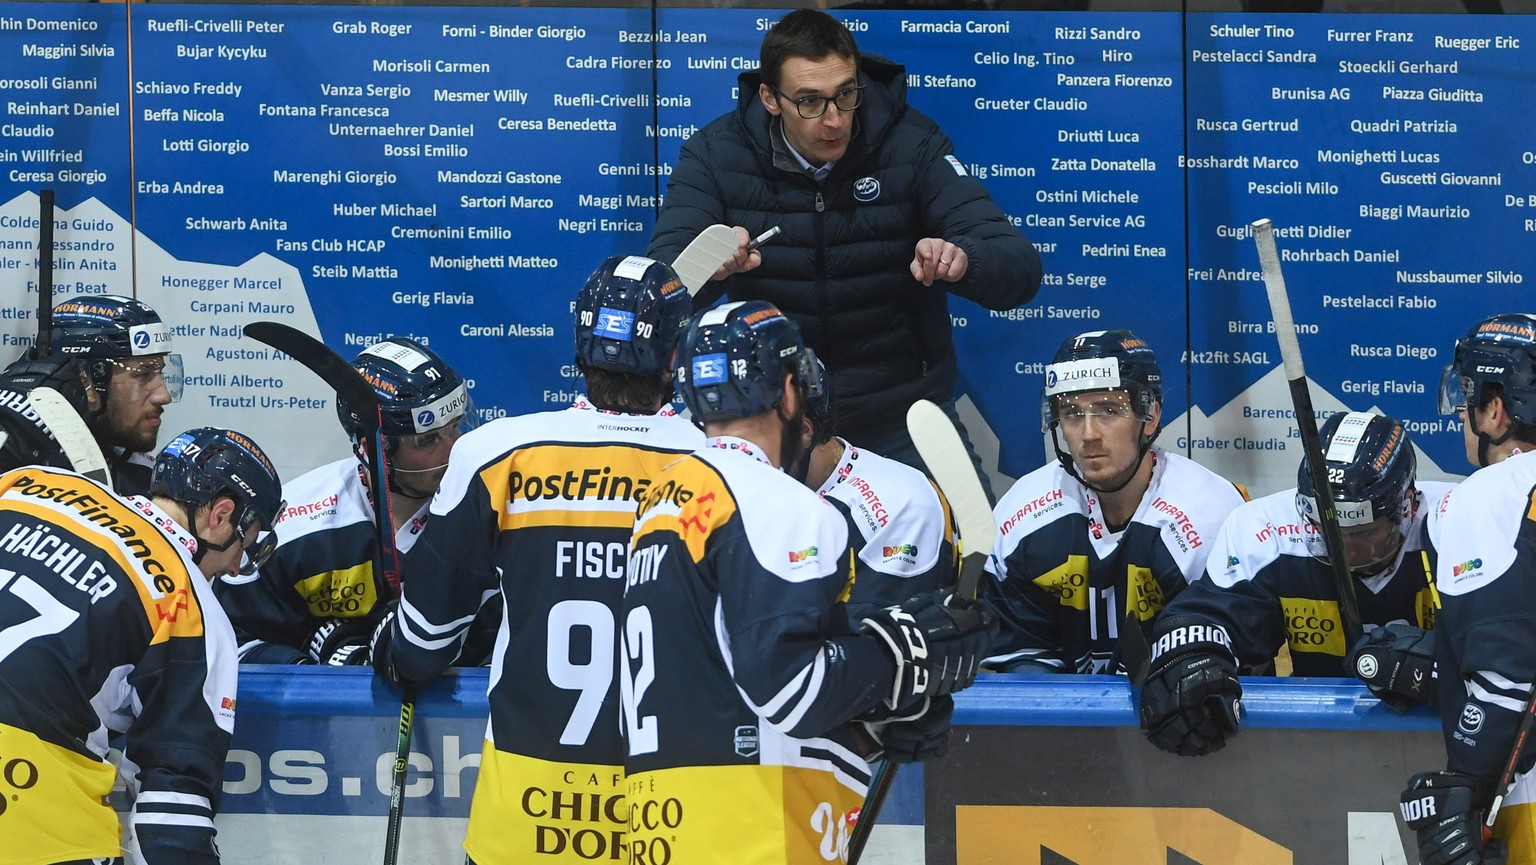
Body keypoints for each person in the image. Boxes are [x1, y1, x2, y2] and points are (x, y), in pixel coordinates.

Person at [621, 299, 995, 862]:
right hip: (756, 827)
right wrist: (902, 657)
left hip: (658, 823)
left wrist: (881, 664)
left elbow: (729, 656)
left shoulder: (661, 497)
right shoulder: (785, 504)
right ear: (792, 393)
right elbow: (791, 692)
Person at [370, 256, 703, 864]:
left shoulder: (497, 453)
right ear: (676, 356)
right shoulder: (725, 465)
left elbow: (420, 649)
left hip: (526, 827)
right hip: (671, 824)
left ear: (580, 345)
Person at [647, 8, 1041, 486]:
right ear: (771, 98)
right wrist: (711, 267)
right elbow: (661, 293)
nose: (834, 120)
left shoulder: (912, 143)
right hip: (768, 415)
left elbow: (1019, 268)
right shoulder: (715, 155)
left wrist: (964, 261)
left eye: (847, 95)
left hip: (903, 411)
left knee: (969, 551)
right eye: (810, 102)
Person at [0, 426, 282, 865]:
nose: (232, 568)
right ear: (222, 514)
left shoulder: (30, 484)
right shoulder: (190, 604)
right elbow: (171, 827)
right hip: (29, 810)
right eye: (245, 546)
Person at [1138, 411, 1453, 757]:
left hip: (1443, 738)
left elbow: (1509, 645)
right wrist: (1192, 653)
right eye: (1323, 528)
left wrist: (1445, 662)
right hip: (1317, 745)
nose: (1341, 547)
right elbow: (1213, 614)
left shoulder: (1459, 522)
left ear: (1407, 507)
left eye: (1362, 533)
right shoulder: (1265, 528)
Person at [980, 329, 1247, 675]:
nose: (1089, 434)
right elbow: (1020, 660)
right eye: (1073, 413)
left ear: (1149, 416)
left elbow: (1225, 663)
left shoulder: (1208, 514)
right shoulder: (1022, 514)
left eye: (1108, 410)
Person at [214, 337, 482, 665]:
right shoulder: (294, 527)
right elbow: (231, 641)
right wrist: (324, 682)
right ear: (374, 449)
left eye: (455, 427)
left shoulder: (489, 511)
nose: (455, 449)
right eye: (429, 439)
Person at [1400, 313, 1536, 865]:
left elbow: (1507, 675)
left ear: (1496, 410)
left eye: (1469, 399)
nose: (1463, 413)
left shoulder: (1483, 497)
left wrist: (1467, 789)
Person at [797, 357, 963, 760]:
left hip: (853, 758)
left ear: (802, 430)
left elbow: (873, 672)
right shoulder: (713, 482)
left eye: (742, 430)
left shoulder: (900, 500)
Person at [5, 295, 182, 495]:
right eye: (143, 375)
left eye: (161, 373)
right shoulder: (13, 461)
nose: (163, 396)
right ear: (85, 380)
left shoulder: (145, 474)